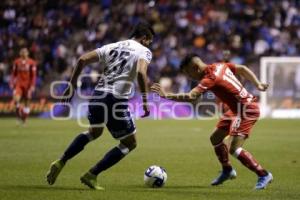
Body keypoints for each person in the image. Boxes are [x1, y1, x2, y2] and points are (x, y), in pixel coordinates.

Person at [46, 22, 154, 190]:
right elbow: (141, 72)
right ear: (144, 38)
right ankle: (92, 174)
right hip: (115, 100)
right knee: (130, 144)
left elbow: (82, 59)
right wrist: (145, 100)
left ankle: (61, 161)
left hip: (97, 96)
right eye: (149, 41)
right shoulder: (144, 51)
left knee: (94, 132)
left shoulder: (112, 46)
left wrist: (72, 85)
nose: (149, 45)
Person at [151, 54, 273, 190]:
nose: (190, 77)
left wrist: (167, 95)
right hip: (235, 110)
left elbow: (191, 97)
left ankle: (264, 174)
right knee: (215, 138)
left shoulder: (210, 78)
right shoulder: (219, 65)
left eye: (189, 73)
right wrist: (258, 84)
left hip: (246, 110)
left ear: (195, 68)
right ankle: (227, 170)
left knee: (234, 148)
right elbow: (243, 69)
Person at [10, 47, 37, 124]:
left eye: (25, 52)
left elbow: (33, 75)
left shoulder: (32, 63)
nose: (24, 53)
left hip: (28, 85)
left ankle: (24, 119)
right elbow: (13, 74)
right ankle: (19, 115)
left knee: (27, 102)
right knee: (16, 99)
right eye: (22, 52)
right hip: (19, 84)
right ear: (20, 53)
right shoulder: (16, 62)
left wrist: (32, 85)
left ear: (28, 53)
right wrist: (12, 82)